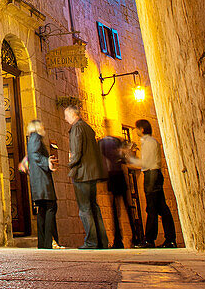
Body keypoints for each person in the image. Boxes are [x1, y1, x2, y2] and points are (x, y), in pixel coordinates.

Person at [64, 104, 109, 249]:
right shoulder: (87, 127)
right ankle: (102, 241)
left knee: (85, 209)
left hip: (82, 173)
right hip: (91, 173)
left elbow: (76, 151)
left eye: (66, 115)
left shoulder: (77, 128)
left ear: (72, 115)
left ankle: (91, 241)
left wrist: (70, 163)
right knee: (94, 206)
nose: (65, 119)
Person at [126, 119, 177, 248]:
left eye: (136, 128)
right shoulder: (151, 142)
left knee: (152, 208)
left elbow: (146, 163)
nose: (135, 130)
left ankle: (149, 239)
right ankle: (170, 239)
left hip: (151, 175)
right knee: (162, 208)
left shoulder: (149, 143)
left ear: (142, 129)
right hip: (155, 174)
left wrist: (130, 158)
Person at [99, 119, 142, 248]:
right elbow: (124, 157)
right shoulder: (116, 141)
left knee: (117, 209)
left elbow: (102, 160)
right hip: (117, 175)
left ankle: (120, 239)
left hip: (113, 175)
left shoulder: (102, 142)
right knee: (125, 207)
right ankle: (134, 237)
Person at [22, 119, 61, 249]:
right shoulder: (35, 138)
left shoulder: (32, 139)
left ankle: (44, 243)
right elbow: (35, 156)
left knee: (43, 211)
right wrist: (47, 161)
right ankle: (49, 241)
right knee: (51, 207)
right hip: (42, 181)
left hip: (38, 181)